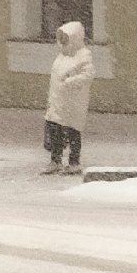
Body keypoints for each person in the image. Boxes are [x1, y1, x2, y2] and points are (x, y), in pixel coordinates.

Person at [42, 18, 94, 173]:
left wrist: (70, 82)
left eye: (66, 37)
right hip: (58, 101)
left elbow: (88, 75)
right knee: (55, 131)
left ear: (75, 37)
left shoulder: (83, 55)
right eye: (61, 37)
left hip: (73, 102)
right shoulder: (62, 55)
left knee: (73, 131)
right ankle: (55, 161)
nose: (63, 40)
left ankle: (74, 163)